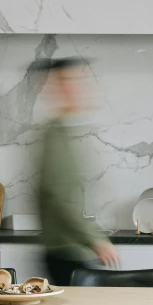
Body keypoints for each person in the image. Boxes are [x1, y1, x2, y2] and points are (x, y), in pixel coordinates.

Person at [36, 57, 119, 285]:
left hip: (72, 250)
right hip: (65, 252)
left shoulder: (65, 132)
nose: (80, 88)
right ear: (57, 88)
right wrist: (95, 240)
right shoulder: (55, 135)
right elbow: (58, 197)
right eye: (69, 81)